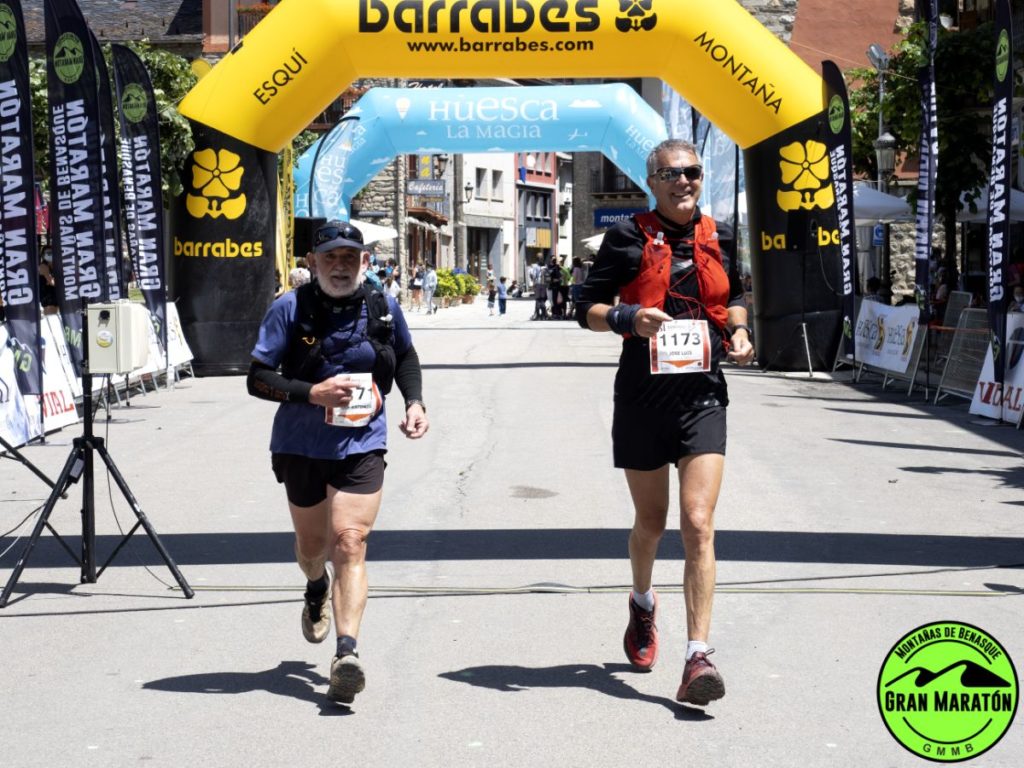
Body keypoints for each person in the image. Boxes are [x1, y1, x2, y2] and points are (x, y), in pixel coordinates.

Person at [575, 138, 754, 707]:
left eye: (692, 172)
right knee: (650, 523)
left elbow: (736, 295)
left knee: (698, 522)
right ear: (652, 181)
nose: (684, 181)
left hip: (703, 395)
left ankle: (698, 655)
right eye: (672, 174)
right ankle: (642, 601)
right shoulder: (627, 237)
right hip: (642, 398)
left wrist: (739, 331)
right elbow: (585, 308)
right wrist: (629, 317)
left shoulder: (721, 234)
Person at [246, 220, 429, 706]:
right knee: (313, 547)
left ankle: (346, 654)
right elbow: (257, 378)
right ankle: (315, 587)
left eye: (350, 257)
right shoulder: (289, 308)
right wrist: (312, 393)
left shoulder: (383, 307)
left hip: (363, 443)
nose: (341, 266)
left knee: (350, 541)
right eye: (331, 257)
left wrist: (414, 402)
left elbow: (406, 357)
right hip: (301, 446)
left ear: (364, 261)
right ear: (312, 262)